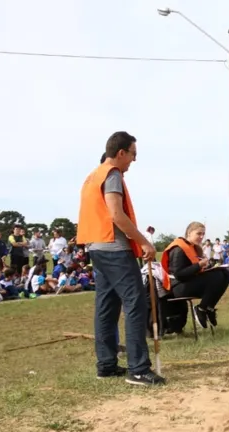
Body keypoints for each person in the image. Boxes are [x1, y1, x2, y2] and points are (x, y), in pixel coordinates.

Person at [77, 131, 164, 386]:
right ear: (121, 153)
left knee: (107, 306)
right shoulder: (112, 174)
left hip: (97, 246)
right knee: (136, 303)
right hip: (114, 248)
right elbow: (116, 214)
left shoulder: (92, 176)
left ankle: (106, 365)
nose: (134, 161)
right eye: (133, 154)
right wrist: (143, 241)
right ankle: (138, 369)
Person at [160, 222, 229, 329]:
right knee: (216, 276)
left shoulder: (193, 247)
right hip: (178, 287)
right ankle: (201, 309)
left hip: (189, 282)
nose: (201, 237)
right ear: (189, 233)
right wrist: (199, 265)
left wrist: (207, 266)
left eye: (203, 234)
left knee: (225, 274)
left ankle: (209, 308)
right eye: (199, 234)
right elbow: (179, 274)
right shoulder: (178, 248)